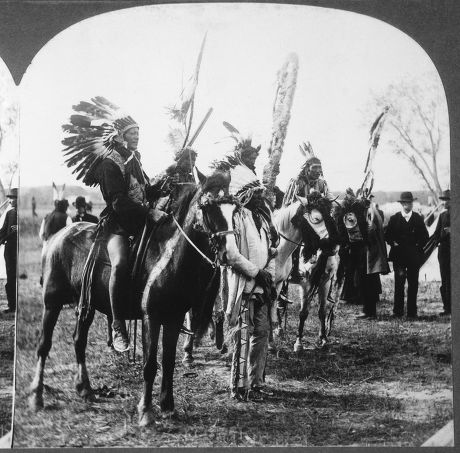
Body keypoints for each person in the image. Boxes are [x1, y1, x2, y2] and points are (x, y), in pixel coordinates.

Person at [63, 97, 167, 352]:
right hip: (118, 225)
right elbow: (119, 202)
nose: (137, 136)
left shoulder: (134, 159)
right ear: (121, 135)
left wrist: (164, 181)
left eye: (138, 133)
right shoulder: (110, 163)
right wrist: (148, 213)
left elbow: (143, 192)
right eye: (132, 133)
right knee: (120, 264)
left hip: (140, 222)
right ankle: (117, 323)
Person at [213, 128, 276, 402]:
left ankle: (255, 382)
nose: (261, 197)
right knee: (242, 336)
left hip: (262, 287)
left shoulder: (261, 221)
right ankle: (237, 387)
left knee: (261, 334)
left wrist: (269, 275)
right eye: (256, 193)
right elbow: (231, 256)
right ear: (246, 196)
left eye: (261, 193)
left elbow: (269, 252)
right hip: (244, 287)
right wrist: (257, 273)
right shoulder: (237, 220)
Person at [283, 152, 329, 282]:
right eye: (314, 167)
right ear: (307, 167)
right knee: (293, 245)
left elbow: (326, 200)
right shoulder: (297, 182)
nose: (318, 170)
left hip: (315, 219)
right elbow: (288, 203)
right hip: (297, 218)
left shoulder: (322, 184)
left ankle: (321, 273)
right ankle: (292, 273)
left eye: (319, 167)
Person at [385, 191, 429, 319]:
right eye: (404, 203)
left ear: (412, 204)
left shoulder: (417, 218)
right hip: (399, 257)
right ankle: (397, 311)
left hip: (413, 257)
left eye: (409, 203)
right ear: (401, 204)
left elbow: (425, 237)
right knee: (399, 283)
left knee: (413, 284)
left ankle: (412, 312)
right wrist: (393, 242)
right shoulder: (394, 218)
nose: (407, 205)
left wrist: (417, 246)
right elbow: (387, 235)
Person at [356, 202, 390, 319]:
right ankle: (366, 310)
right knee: (364, 283)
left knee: (370, 284)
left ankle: (371, 312)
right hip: (365, 256)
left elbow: (372, 234)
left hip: (372, 256)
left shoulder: (374, 217)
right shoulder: (368, 216)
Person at [432, 189, 450, 316]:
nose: (444, 203)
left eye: (447, 200)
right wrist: (440, 238)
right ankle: (447, 307)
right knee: (445, 280)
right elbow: (436, 234)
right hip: (443, 253)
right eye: (443, 200)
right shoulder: (442, 216)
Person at [0, 189, 18, 313]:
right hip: (9, 250)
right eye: (10, 197)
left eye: (13, 197)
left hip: (20, 251)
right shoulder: (10, 213)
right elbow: (3, 230)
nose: (10, 200)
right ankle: (12, 306)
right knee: (10, 278)